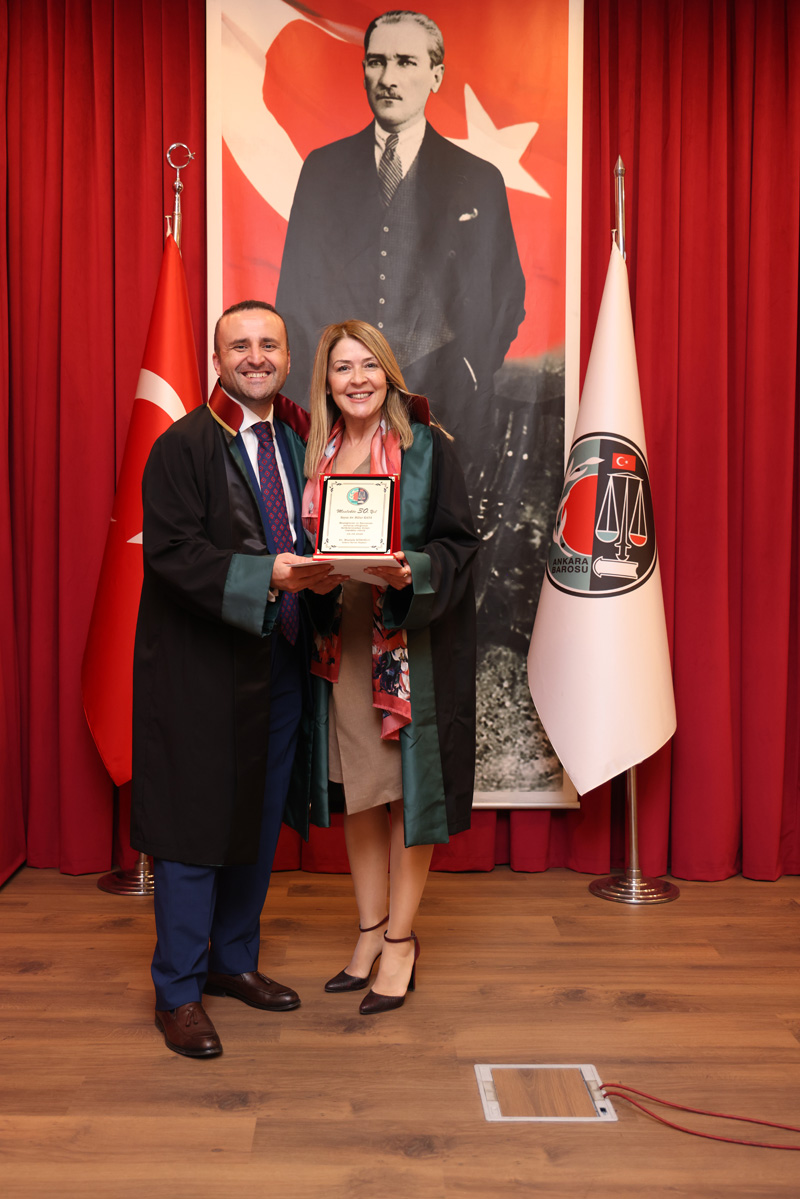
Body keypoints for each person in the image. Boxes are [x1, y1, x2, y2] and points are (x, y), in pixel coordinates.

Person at [131, 301, 339, 1057]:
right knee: (193, 826)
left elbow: (313, 533)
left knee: (256, 816)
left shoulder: (298, 442)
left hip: (278, 660)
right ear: (216, 360)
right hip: (200, 668)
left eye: (269, 344)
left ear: (287, 357)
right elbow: (174, 556)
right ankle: (178, 991)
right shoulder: (182, 446)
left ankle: (232, 960)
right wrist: (268, 575)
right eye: (240, 345)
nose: (256, 356)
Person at [286, 320, 479, 1013]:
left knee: (404, 792)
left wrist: (409, 572)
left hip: (403, 647)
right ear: (326, 381)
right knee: (360, 788)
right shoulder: (315, 454)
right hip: (340, 642)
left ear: (389, 373)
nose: (357, 379)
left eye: (369, 365)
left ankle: (401, 940)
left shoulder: (426, 448)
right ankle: (368, 930)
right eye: (343, 367)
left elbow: (460, 545)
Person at [275, 9, 526, 439]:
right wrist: (320, 387)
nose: (388, 78)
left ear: (436, 75)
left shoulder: (478, 179)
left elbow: (506, 295)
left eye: (406, 62)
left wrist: (471, 370)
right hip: (338, 410)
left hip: (445, 411)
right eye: (377, 62)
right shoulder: (322, 169)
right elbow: (295, 294)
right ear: (364, 71)